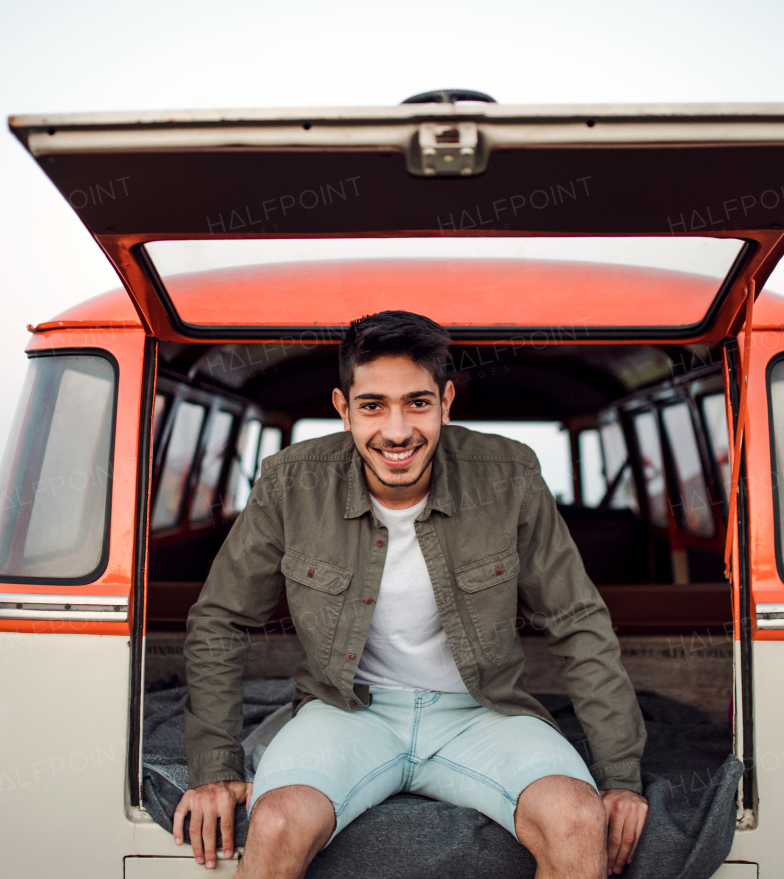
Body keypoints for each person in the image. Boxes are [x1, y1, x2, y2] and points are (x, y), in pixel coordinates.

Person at [175, 310, 648, 878]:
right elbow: (220, 620)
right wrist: (214, 765)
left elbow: (577, 620)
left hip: (482, 713)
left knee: (577, 817)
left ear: (446, 402)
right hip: (346, 712)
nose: (397, 431)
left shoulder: (509, 475)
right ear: (343, 408)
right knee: (274, 823)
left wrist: (620, 777)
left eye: (417, 403)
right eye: (373, 405)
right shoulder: (289, 482)